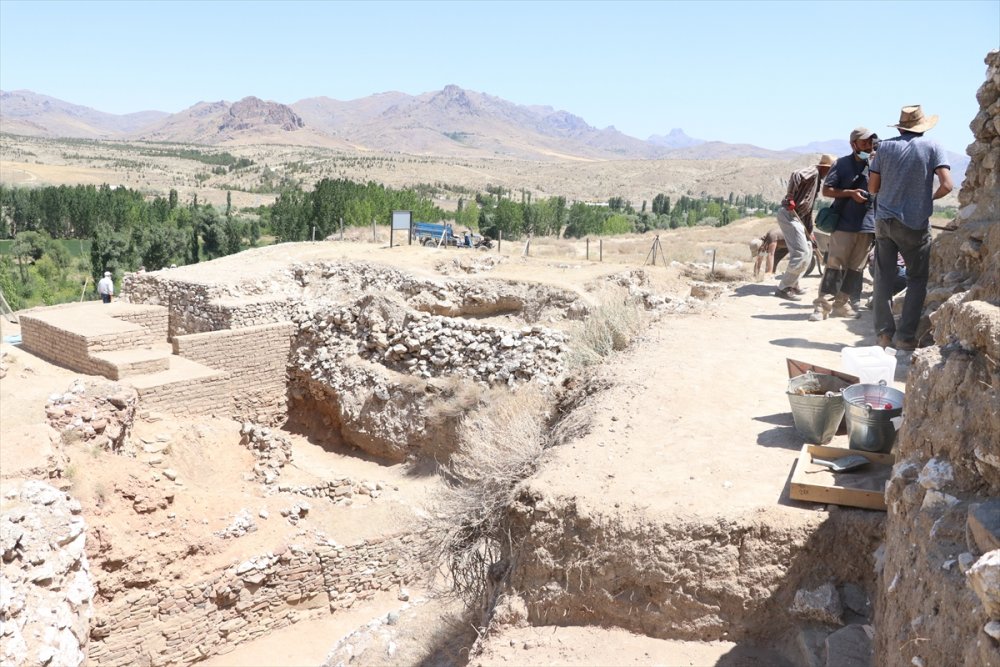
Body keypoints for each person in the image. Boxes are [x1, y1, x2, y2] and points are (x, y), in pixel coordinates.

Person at [869, 105, 953, 351]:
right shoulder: (933, 147)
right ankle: (905, 338)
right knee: (917, 279)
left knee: (883, 277)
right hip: (914, 224)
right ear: (922, 126)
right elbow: (947, 185)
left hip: (884, 221)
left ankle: (884, 335)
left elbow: (873, 188)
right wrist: (929, 199)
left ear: (901, 125)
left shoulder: (884, 147)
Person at [809, 128, 877, 321]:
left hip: (868, 224)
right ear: (853, 144)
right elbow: (827, 190)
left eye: (870, 141)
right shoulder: (842, 164)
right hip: (844, 224)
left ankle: (842, 304)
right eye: (863, 142)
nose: (868, 145)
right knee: (834, 265)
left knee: (856, 268)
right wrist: (850, 193)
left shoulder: (877, 163)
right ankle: (822, 306)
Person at [774, 154, 836, 300]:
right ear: (825, 168)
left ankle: (793, 284)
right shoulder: (814, 172)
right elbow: (796, 175)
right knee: (801, 252)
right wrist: (790, 196)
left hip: (799, 218)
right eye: (830, 171)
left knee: (808, 251)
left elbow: (807, 211)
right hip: (789, 215)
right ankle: (784, 288)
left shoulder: (817, 181)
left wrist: (810, 233)